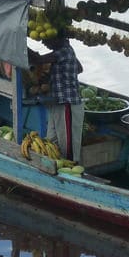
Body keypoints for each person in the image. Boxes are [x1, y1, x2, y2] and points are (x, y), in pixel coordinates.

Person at [32, 34, 85, 163]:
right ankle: (53, 166)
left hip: (67, 104)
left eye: (46, 40)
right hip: (57, 103)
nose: (44, 43)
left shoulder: (63, 51)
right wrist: (56, 76)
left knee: (68, 146)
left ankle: (71, 168)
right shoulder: (67, 51)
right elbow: (79, 68)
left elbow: (38, 60)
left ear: (57, 38)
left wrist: (22, 47)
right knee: (51, 141)